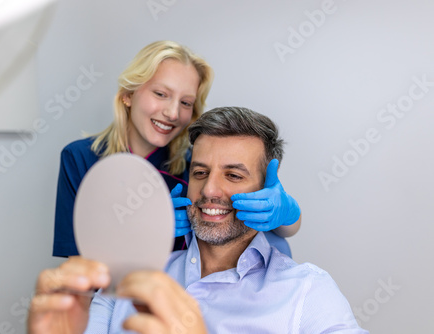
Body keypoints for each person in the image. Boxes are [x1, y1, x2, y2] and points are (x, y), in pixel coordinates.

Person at [30, 107, 366, 334]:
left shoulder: (308, 292)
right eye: (200, 172)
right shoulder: (124, 282)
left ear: (267, 190)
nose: (210, 190)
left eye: (233, 175)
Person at [52, 41, 301, 258]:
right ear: (128, 95)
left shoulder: (196, 167)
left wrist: (287, 212)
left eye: (185, 103)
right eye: (161, 94)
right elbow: (80, 266)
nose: (172, 113)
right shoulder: (81, 159)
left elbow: (282, 231)